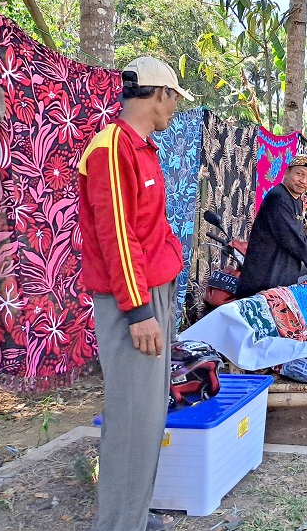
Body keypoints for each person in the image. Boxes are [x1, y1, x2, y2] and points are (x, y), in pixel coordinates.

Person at [78, 56, 193, 531]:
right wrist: (139, 311)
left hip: (153, 292)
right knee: (131, 418)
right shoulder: (112, 148)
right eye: (174, 98)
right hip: (134, 302)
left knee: (147, 415)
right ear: (159, 94)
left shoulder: (141, 147)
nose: (175, 108)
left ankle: (133, 515)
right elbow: (116, 236)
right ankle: (119, 523)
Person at [236, 156, 307, 298]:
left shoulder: (296, 200)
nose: (303, 181)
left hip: (280, 277)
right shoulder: (278, 198)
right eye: (299, 174)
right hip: (265, 279)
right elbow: (290, 238)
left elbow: (298, 233)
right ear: (287, 173)